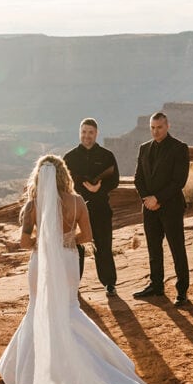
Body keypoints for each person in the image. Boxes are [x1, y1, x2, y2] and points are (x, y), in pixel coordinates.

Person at [0, 155, 193, 384]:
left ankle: (36, 369)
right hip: (67, 261)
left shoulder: (32, 205)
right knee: (67, 309)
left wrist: (43, 245)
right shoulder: (78, 201)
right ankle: (84, 359)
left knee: (39, 309)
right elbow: (88, 235)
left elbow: (24, 242)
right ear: (65, 176)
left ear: (39, 176)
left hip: (41, 264)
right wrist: (62, 242)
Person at [133, 112, 191, 306]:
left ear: (167, 126)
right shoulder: (144, 148)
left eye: (159, 127)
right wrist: (147, 200)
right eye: (152, 127)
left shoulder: (179, 148)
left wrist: (158, 198)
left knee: (177, 248)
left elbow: (179, 181)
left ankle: (182, 291)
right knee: (153, 249)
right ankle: (156, 285)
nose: (155, 131)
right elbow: (138, 178)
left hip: (171, 207)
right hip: (149, 208)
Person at [64, 118, 120, 295]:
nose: (87, 136)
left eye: (90, 132)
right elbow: (63, 184)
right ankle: (73, 285)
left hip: (100, 208)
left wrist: (99, 187)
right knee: (76, 248)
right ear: (79, 133)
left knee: (103, 245)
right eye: (84, 132)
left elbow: (115, 180)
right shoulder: (69, 158)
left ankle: (109, 283)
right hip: (75, 211)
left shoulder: (106, 156)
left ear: (96, 134)